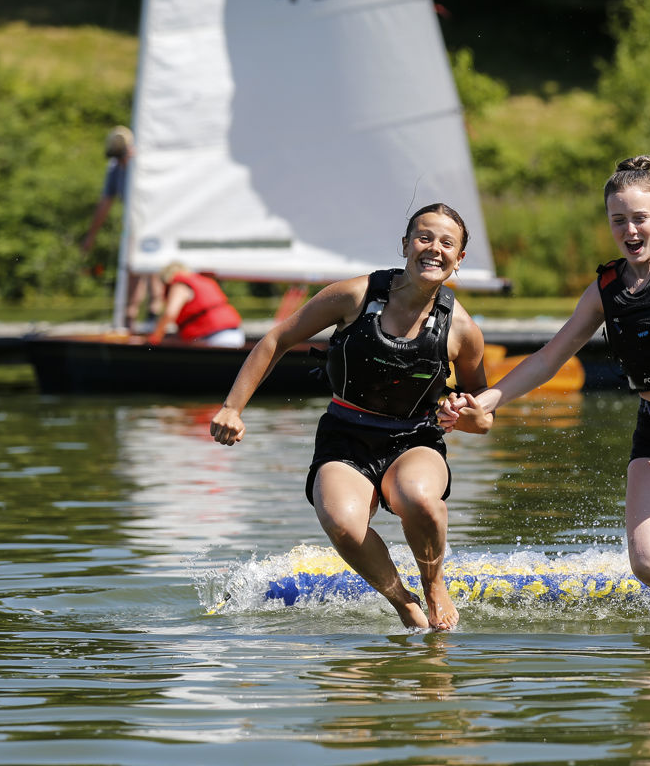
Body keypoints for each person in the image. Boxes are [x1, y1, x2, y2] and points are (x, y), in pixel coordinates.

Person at [442, 156, 650, 634]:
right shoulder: (605, 289)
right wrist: (488, 399)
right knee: (648, 565)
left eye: (640, 218)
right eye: (618, 220)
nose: (631, 230)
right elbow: (548, 358)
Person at [209, 203, 490, 630]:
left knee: (420, 500)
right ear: (405, 244)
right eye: (424, 237)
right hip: (345, 437)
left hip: (414, 441)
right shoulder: (353, 296)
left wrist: (462, 414)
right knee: (340, 521)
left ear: (460, 258)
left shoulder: (463, 330)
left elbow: (483, 417)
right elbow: (277, 339)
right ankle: (404, 602)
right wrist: (232, 407)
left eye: (447, 243)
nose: (434, 249)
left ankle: (434, 585)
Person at [80, 125, 163, 331]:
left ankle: (154, 315)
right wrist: (91, 236)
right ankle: (130, 318)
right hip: (133, 226)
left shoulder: (144, 163)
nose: (120, 161)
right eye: (116, 157)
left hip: (154, 224)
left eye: (122, 155)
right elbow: (105, 203)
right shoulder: (115, 168)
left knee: (152, 270)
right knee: (132, 270)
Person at [147, 263, 246, 347]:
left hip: (215, 339)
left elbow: (169, 313)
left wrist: (155, 338)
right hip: (235, 334)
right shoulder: (202, 280)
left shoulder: (179, 285)